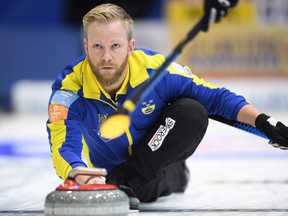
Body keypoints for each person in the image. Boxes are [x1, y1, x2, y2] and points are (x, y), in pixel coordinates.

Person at [46, 3, 288, 210]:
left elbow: (215, 97)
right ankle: (142, 177)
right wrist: (80, 173)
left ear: (131, 48)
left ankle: (141, 177)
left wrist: (263, 122)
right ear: (86, 47)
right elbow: (62, 142)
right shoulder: (68, 89)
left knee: (192, 111)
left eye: (115, 46)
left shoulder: (158, 71)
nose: (106, 57)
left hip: (151, 158)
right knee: (150, 184)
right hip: (108, 173)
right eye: (98, 47)